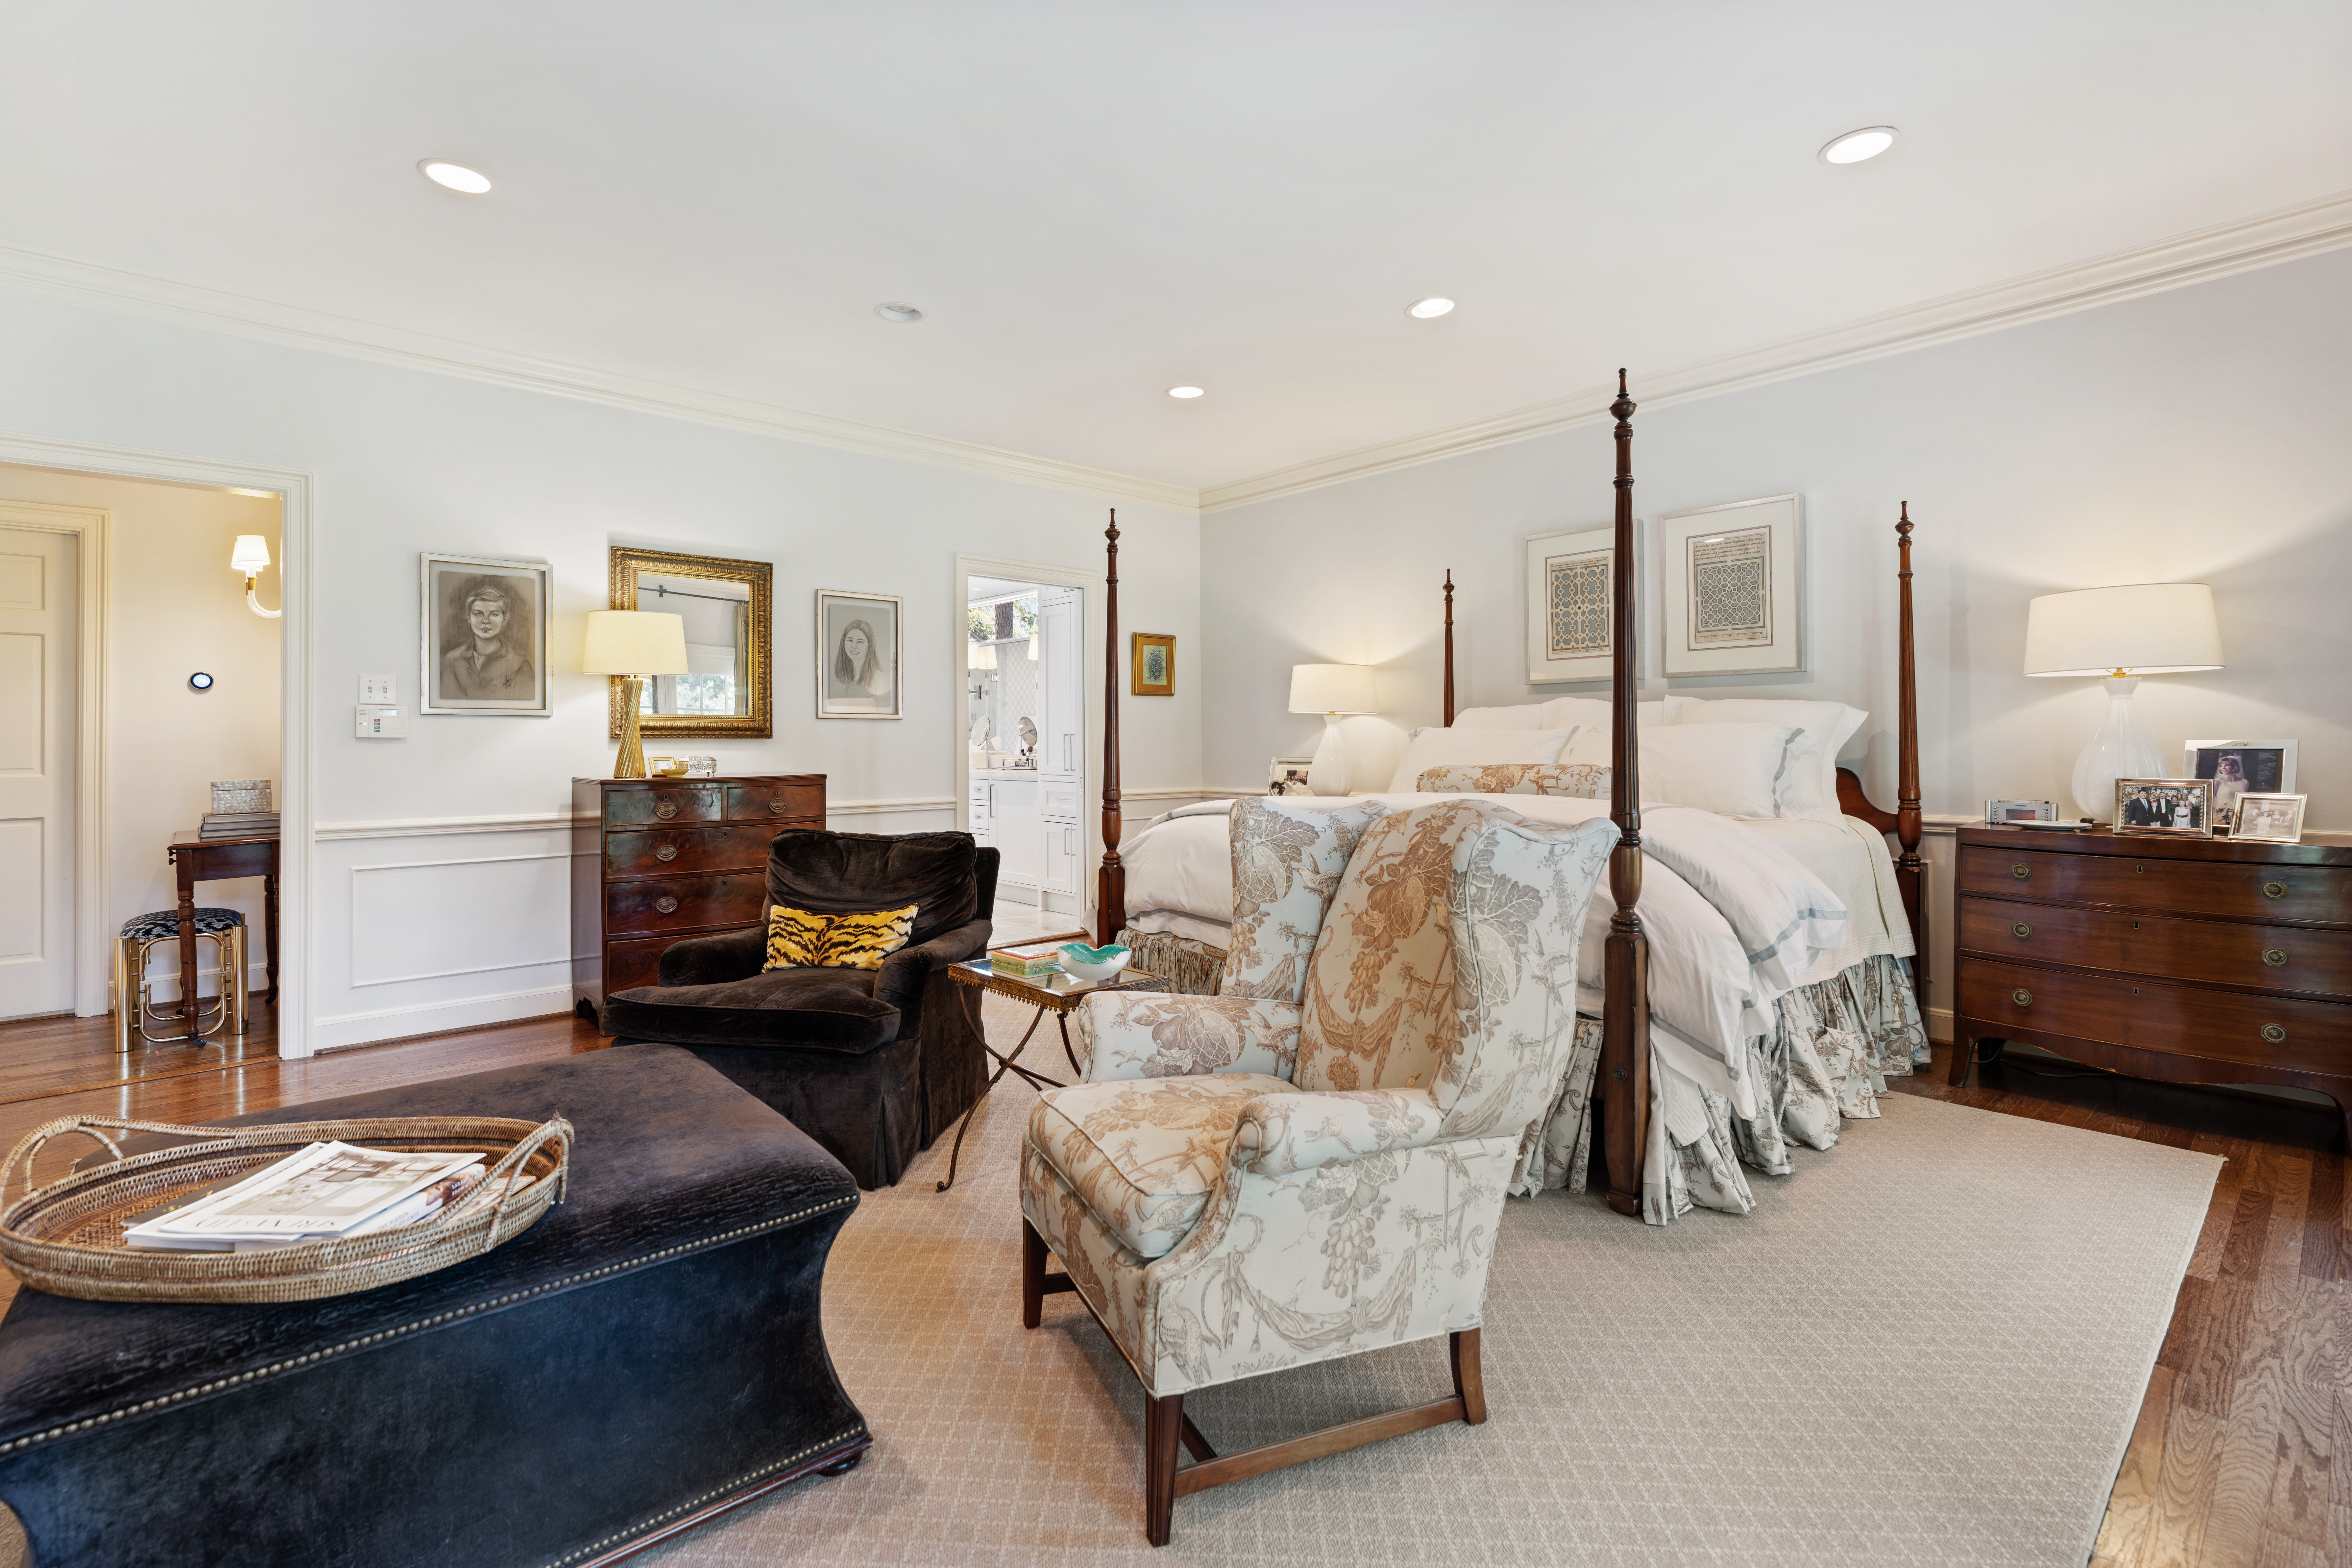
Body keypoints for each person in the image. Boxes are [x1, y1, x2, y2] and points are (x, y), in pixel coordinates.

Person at [439, 580, 535, 700]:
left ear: (505, 620)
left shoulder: (519, 662)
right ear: (469, 618)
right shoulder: (452, 660)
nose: (486, 621)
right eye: (479, 614)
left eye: (494, 615)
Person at [833, 619, 892, 701]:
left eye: (860, 642)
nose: (854, 646)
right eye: (850, 640)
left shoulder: (880, 678)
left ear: (869, 646)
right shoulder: (843, 679)